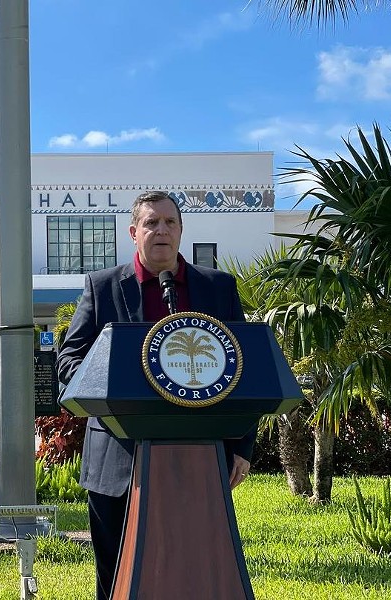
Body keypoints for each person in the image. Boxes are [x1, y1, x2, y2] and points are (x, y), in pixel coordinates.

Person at [57, 190, 255, 600]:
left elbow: (243, 368)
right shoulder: (103, 287)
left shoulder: (217, 288)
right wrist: (105, 386)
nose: (160, 230)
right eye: (151, 223)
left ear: (181, 231)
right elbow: (69, 360)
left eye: (169, 222)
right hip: (116, 459)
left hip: (199, 457)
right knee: (116, 578)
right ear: (134, 232)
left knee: (194, 571)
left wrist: (241, 445)